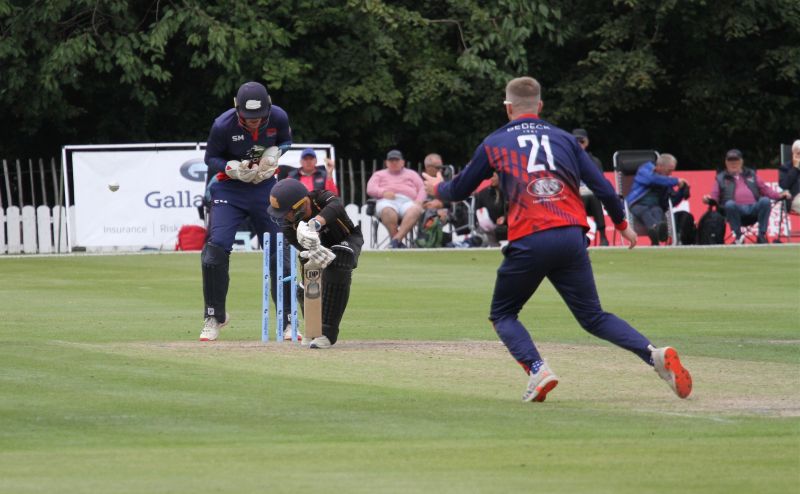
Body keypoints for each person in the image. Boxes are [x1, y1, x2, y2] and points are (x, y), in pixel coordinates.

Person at [423, 76, 692, 402]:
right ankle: (653, 355)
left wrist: (436, 187)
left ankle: (538, 369)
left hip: (530, 237)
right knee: (593, 316)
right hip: (571, 236)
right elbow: (604, 188)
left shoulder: (495, 142)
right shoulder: (565, 139)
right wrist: (622, 225)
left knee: (503, 314)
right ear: (540, 105)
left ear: (508, 108)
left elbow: (459, 189)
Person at [200, 81, 293, 341]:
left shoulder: (278, 117)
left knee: (280, 249)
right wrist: (231, 167)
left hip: (264, 187)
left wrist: (275, 153)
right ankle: (214, 316)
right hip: (229, 189)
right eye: (249, 118)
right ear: (237, 108)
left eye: (259, 117)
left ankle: (288, 319)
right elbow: (210, 158)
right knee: (215, 250)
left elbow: (286, 141)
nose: (254, 123)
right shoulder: (223, 125)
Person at [267, 178, 363, 349]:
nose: (284, 217)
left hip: (347, 240)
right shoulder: (289, 227)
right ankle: (313, 331)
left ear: (301, 205)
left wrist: (315, 224)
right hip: (316, 250)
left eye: (286, 212)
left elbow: (336, 206)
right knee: (305, 288)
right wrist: (312, 248)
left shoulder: (320, 197)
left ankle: (327, 333)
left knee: (339, 260)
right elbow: (301, 247)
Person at [702, 149, 790, 244]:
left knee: (765, 201)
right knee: (729, 204)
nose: (733, 163)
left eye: (736, 160)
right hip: (733, 210)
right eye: (730, 161)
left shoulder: (751, 174)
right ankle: (738, 237)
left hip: (753, 209)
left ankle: (761, 235)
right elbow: (714, 195)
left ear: (741, 161)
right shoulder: (721, 178)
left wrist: (779, 195)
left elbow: (766, 189)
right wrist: (708, 199)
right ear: (726, 162)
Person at [626, 153, 690, 245]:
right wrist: (676, 181)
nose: (670, 174)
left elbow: (671, 203)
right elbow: (651, 179)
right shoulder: (645, 169)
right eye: (669, 170)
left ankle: (656, 235)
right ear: (660, 166)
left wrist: (682, 191)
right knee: (645, 211)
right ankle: (657, 229)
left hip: (655, 206)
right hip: (636, 203)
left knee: (658, 211)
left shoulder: (666, 181)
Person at [366, 149, 426, 248]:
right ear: (386, 162)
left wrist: (419, 200)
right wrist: (383, 192)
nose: (394, 162)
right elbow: (370, 188)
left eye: (396, 160)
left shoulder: (412, 174)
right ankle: (397, 242)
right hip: (386, 201)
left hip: (408, 201)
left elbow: (422, 188)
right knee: (387, 211)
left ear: (402, 162)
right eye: (391, 160)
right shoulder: (379, 174)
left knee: (416, 210)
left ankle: (396, 240)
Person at [572, 128, 609, 245]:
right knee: (586, 196)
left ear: (587, 143)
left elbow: (601, 182)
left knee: (593, 197)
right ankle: (586, 235)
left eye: (582, 141)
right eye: (576, 141)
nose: (579, 144)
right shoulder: (566, 159)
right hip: (574, 197)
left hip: (592, 195)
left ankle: (602, 235)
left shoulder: (594, 161)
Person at [472, 172, 508, 246]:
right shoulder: (483, 194)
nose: (491, 179)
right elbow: (477, 212)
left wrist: (505, 218)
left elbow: (513, 210)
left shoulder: (509, 192)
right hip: (488, 230)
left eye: (494, 177)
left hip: (506, 227)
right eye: (491, 177)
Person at [778, 140, 800, 214]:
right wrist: (795, 168)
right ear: (795, 154)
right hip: (794, 199)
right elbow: (784, 185)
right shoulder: (785, 168)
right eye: (799, 153)